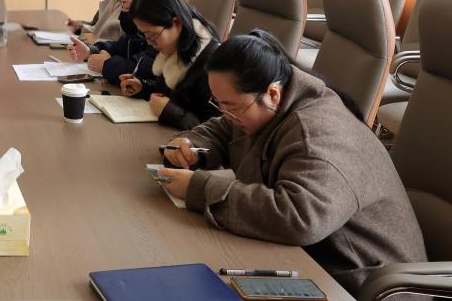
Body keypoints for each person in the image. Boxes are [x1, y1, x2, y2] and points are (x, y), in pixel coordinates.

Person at [158, 31, 426, 295]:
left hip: (364, 279)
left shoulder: (316, 134)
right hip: (316, 256)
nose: (226, 113)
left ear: (273, 94)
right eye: (219, 104)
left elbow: (300, 218)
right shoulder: (264, 100)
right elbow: (225, 127)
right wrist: (192, 145)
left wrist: (200, 189)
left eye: (231, 106)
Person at [120, 0, 219, 129]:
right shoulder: (175, 49)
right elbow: (171, 95)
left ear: (177, 23)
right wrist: (143, 88)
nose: (149, 42)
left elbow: (214, 130)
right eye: (144, 35)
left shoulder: (212, 64)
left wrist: (169, 111)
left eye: (152, 35)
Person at [69, 0, 160, 84]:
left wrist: (107, 65)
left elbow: (144, 69)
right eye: (122, 7)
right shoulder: (134, 34)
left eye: (127, 7)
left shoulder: (158, 38)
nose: (122, 16)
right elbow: (116, 47)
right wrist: (91, 50)